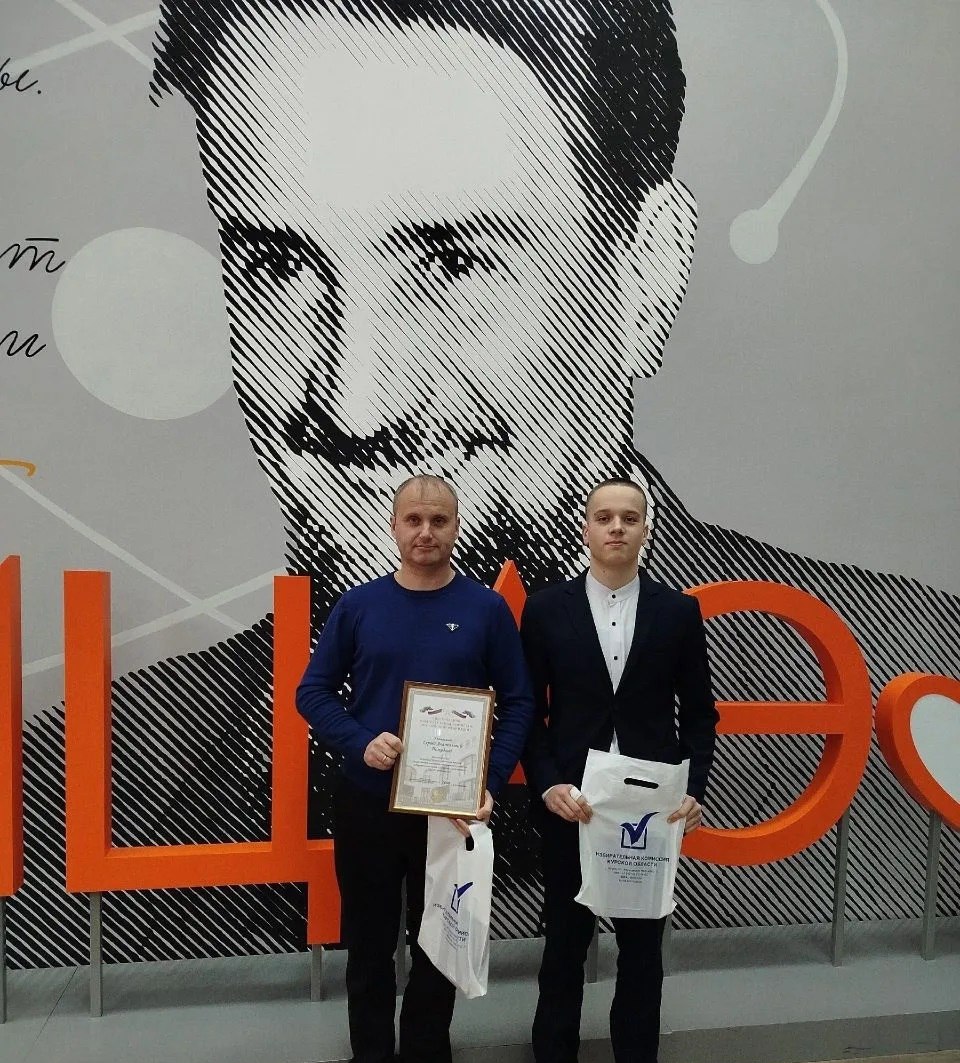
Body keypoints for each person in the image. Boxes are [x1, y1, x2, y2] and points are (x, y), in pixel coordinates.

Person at [11, 0, 958, 970]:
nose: (357, 398)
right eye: (278, 264)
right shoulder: (59, 800)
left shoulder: (923, 679)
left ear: (646, 274)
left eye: (453, 262)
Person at [295, 474, 532, 1063]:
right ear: (394, 526)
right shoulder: (359, 605)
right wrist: (357, 739)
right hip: (368, 804)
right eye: (413, 520)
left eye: (439, 520)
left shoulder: (486, 610)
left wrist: (489, 781)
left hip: (449, 813)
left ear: (457, 527)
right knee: (369, 950)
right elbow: (312, 691)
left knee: (436, 952)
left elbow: (519, 701)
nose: (425, 532)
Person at [517, 479, 718, 1063]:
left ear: (646, 530)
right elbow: (528, 712)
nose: (616, 528)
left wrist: (693, 788)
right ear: (586, 527)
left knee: (642, 958)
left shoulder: (677, 612)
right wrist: (547, 783)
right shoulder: (546, 610)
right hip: (571, 810)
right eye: (604, 516)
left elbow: (700, 714)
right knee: (562, 955)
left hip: (648, 816)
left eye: (630, 518)